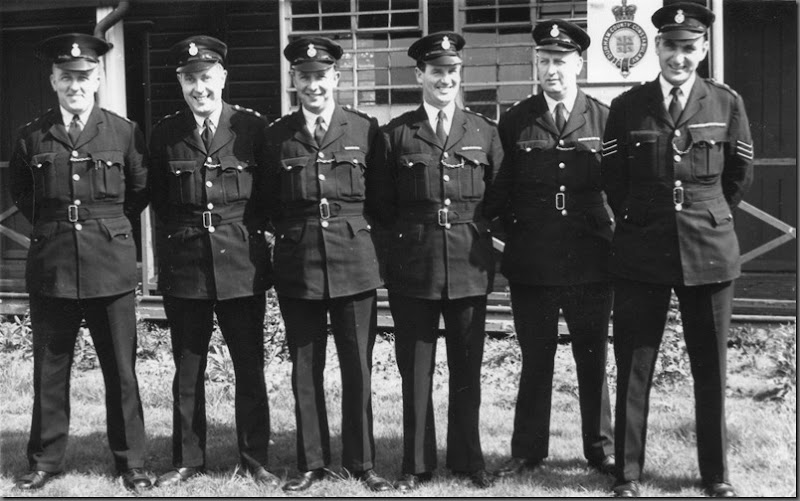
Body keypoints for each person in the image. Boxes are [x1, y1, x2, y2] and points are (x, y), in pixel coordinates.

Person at [600, 1, 753, 497]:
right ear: (657, 48)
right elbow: (613, 180)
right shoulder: (628, 107)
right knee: (634, 366)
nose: (679, 57)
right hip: (642, 249)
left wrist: (701, 213)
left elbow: (736, 179)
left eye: (688, 48)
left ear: (703, 49)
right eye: (670, 46)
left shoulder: (726, 103)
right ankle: (627, 474)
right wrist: (647, 216)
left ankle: (715, 474)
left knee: (709, 367)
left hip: (708, 250)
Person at [9, 33, 151, 492]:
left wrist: (103, 227)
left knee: (121, 370)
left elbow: (138, 192)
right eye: (66, 76)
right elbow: (23, 195)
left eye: (84, 76)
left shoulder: (123, 131)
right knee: (50, 369)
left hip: (108, 263)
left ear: (98, 78)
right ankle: (46, 460)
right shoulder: (32, 135)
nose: (75, 84)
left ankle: (132, 462)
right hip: (52, 266)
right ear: (52, 79)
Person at [484, 19, 615, 479]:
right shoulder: (516, 119)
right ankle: (527, 450)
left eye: (560, 61)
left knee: (593, 356)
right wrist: (516, 235)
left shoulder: (603, 117)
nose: (551, 70)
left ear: (578, 62)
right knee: (535, 357)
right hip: (534, 259)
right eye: (543, 62)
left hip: (590, 258)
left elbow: (618, 188)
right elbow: (498, 193)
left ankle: (601, 451)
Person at [148, 35, 278, 488]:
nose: (198, 88)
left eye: (205, 78)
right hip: (187, 265)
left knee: (248, 365)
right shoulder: (165, 132)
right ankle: (188, 459)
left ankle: (254, 456)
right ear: (180, 84)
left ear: (222, 77)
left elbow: (268, 196)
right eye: (189, 80)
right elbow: (161, 202)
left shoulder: (252, 127)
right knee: (188, 367)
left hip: (241, 263)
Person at [264, 36, 391, 493]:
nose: (313, 85)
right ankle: (311, 462)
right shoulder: (276, 135)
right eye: (304, 77)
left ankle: (362, 462)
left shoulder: (363, 129)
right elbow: (266, 202)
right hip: (299, 263)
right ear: (294, 80)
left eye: (321, 76)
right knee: (305, 366)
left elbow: (380, 200)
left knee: (357, 365)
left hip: (354, 259)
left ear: (335, 77)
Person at [380, 32, 503, 491]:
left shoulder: (483, 131)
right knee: (416, 368)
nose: (445, 79)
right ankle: (415, 463)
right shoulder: (396, 134)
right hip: (415, 265)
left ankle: (469, 460)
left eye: (452, 71)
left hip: (469, 263)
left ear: (459, 74)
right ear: (420, 76)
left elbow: (500, 196)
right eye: (436, 71)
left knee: (468, 365)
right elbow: (381, 204)